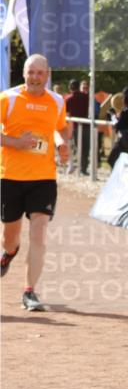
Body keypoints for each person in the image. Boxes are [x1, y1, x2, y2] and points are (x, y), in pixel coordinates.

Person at [0, 54, 71, 311]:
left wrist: (63, 144)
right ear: (24, 74)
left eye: (40, 73)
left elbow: (62, 127)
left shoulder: (56, 101)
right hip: (10, 176)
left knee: (39, 233)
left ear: (47, 75)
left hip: (43, 177)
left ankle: (29, 291)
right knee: (10, 236)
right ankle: (8, 254)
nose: (35, 78)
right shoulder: (7, 99)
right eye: (31, 72)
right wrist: (15, 142)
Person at [107, 87, 128, 168]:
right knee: (123, 162)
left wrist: (113, 116)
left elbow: (118, 126)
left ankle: (119, 179)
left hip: (125, 138)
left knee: (112, 160)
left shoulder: (126, 110)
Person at [64, 79, 90, 175]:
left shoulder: (68, 99)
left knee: (77, 147)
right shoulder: (86, 97)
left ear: (70, 88)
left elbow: (67, 115)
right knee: (85, 147)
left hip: (74, 125)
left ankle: (77, 167)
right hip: (86, 124)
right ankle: (84, 168)